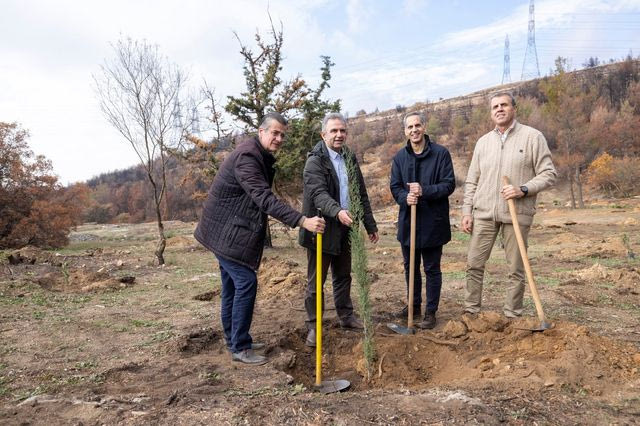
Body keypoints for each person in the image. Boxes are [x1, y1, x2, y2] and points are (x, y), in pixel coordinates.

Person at [194, 112, 325, 365]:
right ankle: (240, 347)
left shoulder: (259, 155)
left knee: (232, 285)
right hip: (225, 232)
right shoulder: (248, 157)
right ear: (261, 131)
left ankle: (234, 339)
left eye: (282, 135)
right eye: (274, 133)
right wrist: (302, 221)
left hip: (224, 230)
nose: (278, 138)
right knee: (245, 282)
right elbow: (264, 199)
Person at [461, 92, 557, 317]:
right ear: (491, 112)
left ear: (514, 108)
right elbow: (472, 180)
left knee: (516, 268)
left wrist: (523, 189)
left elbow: (549, 173)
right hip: (484, 213)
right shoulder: (483, 142)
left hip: (517, 212)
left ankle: (512, 314)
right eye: (495, 106)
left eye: (504, 105)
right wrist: (467, 211)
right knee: (474, 264)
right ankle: (470, 311)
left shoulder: (532, 137)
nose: (499, 109)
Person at [299, 112, 378, 347]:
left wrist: (370, 224)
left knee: (343, 275)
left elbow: (360, 193)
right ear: (324, 134)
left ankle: (346, 316)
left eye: (342, 130)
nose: (339, 135)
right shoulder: (315, 161)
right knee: (316, 282)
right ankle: (314, 326)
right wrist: (338, 211)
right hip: (322, 229)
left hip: (346, 228)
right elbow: (318, 194)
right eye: (333, 131)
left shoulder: (349, 157)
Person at [390, 111, 455, 329]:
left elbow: (448, 185)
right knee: (411, 268)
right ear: (405, 131)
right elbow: (395, 187)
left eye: (417, 125)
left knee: (431, 269)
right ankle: (414, 306)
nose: (414, 130)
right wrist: (404, 197)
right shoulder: (400, 157)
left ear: (424, 127)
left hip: (433, 224)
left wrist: (424, 190)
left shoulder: (441, 154)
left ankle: (430, 312)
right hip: (409, 223)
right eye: (410, 127)